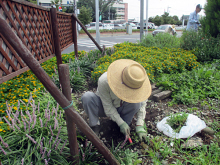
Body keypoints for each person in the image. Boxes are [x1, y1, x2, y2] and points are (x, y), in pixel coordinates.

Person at [81, 59, 152, 141]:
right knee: (87, 97)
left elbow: (142, 104)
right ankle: (95, 126)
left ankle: (124, 127)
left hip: (123, 107)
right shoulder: (105, 81)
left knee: (137, 103)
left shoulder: (139, 83)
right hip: (103, 107)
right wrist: (120, 123)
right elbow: (108, 106)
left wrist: (140, 125)